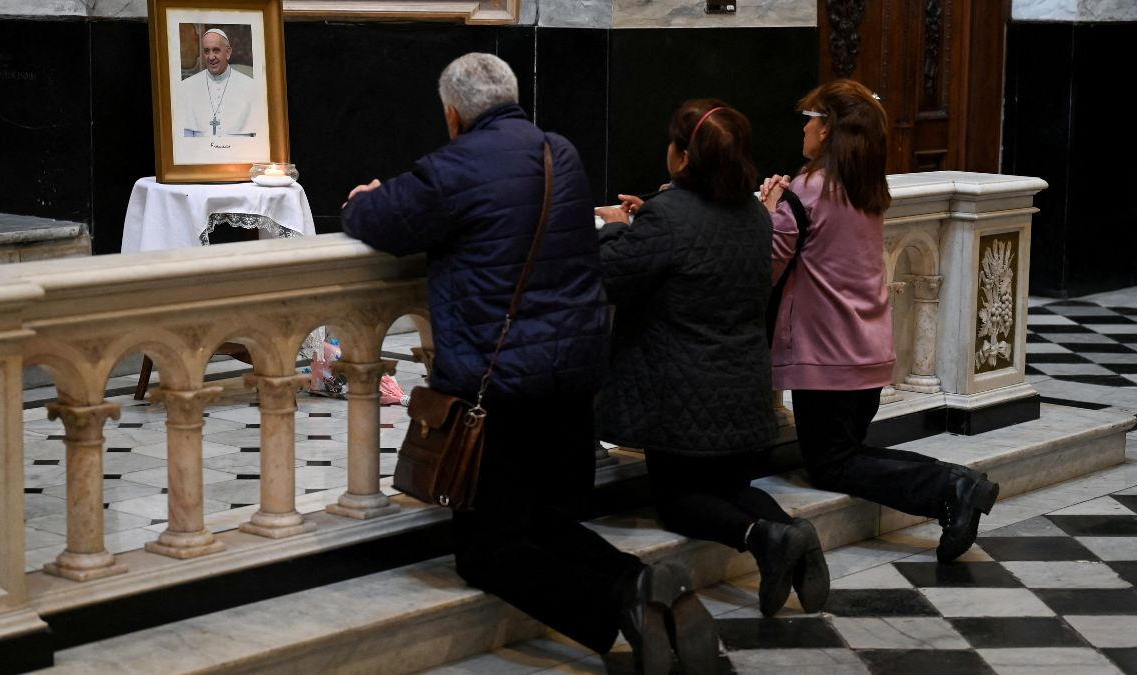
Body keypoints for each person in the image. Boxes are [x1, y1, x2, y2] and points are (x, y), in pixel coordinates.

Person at [341, 53, 719, 675]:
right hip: (572, 378)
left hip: (499, 388)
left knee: (486, 552)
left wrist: (362, 198)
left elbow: (382, 219)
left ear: (453, 115)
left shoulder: (452, 167)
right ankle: (650, 584)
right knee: (542, 521)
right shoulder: (559, 153)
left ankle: (623, 597)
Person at [594, 99, 830, 618]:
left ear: (682, 156)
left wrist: (616, 225)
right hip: (741, 384)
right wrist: (649, 216)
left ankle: (765, 539)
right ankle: (792, 532)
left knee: (678, 500)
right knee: (730, 485)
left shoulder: (667, 217)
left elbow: (613, 273)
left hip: (679, 391)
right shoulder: (753, 215)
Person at [759, 79, 999, 564]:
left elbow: (765, 265)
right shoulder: (868, 187)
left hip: (827, 357)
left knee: (832, 465)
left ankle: (951, 486)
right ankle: (958, 485)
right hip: (869, 352)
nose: (803, 127)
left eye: (810, 117)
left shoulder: (807, 191)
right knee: (849, 452)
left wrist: (767, 210)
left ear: (826, 130)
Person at [175, 28, 258, 137]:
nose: (211, 57)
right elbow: (184, 137)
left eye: (216, 50)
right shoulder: (187, 87)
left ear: (228, 52)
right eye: (206, 51)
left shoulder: (250, 87)